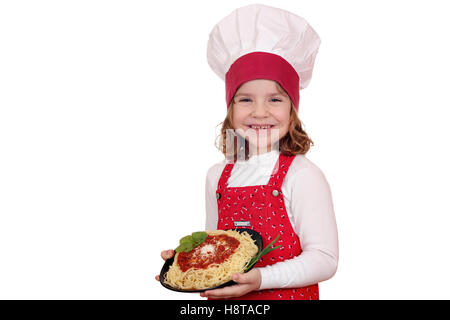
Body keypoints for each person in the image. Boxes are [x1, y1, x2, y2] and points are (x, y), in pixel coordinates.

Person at [156, 3, 338, 300]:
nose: (259, 112)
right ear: (230, 109)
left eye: (275, 99)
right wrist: (188, 261)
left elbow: (325, 259)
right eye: (245, 99)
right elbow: (215, 244)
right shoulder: (217, 175)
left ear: (293, 112)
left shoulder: (302, 174)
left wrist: (261, 279)